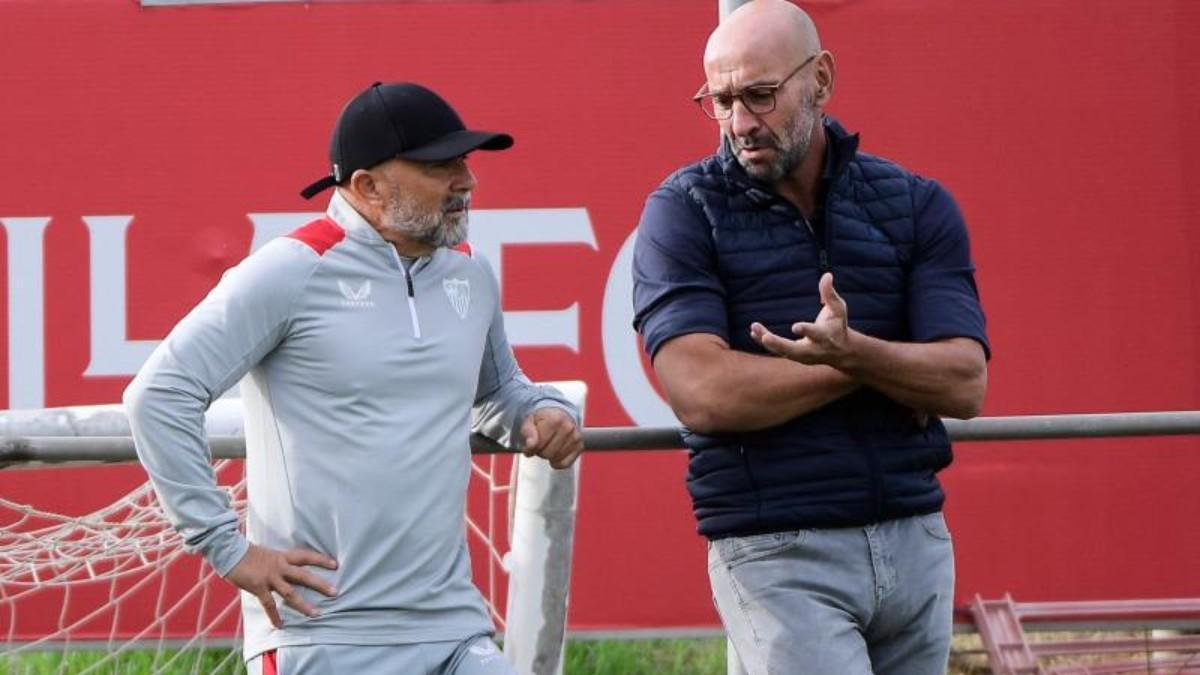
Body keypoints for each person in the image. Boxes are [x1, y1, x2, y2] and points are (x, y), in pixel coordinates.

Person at [124, 81, 583, 675]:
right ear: (367, 186)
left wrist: (540, 412)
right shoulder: (291, 268)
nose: (467, 181)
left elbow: (498, 393)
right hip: (324, 638)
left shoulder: (471, 272)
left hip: (453, 627)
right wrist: (228, 549)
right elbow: (158, 397)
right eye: (441, 165)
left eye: (465, 161)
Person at [631, 1, 990, 673]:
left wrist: (856, 352)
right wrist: (871, 364)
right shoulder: (681, 210)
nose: (740, 123)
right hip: (774, 547)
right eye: (720, 100)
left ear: (820, 80)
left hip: (915, 534)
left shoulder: (917, 203)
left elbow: (964, 383)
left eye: (760, 96)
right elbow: (703, 392)